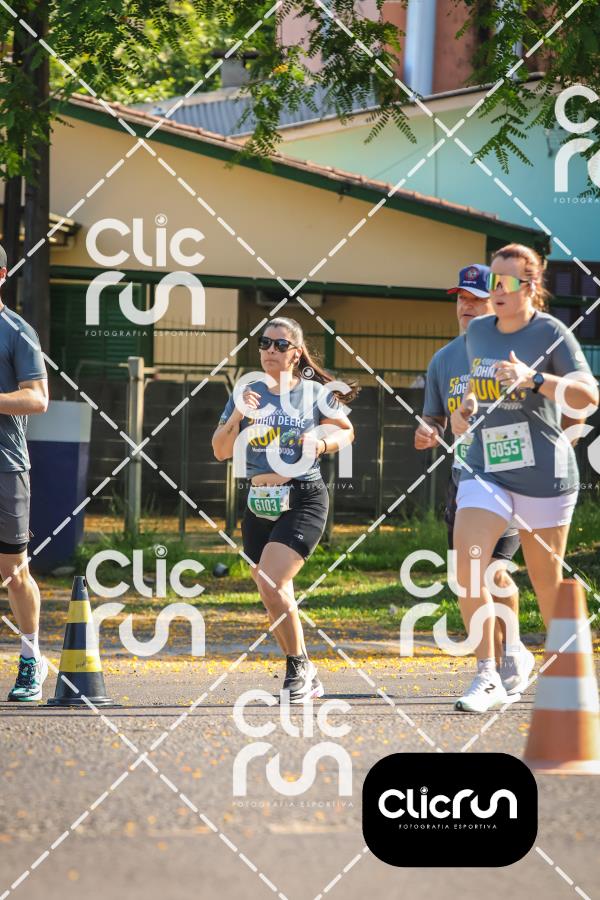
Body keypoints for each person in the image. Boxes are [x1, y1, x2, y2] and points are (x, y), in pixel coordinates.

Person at [450, 243, 598, 712]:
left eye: (506, 281)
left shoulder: (551, 332)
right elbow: (476, 387)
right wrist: (464, 410)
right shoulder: (478, 331)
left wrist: (534, 379)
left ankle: (572, 679)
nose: (495, 289)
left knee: (546, 583)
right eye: (492, 280)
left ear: (531, 286)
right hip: (487, 468)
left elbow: (588, 397)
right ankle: (487, 675)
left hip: (545, 475)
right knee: (468, 564)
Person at [212, 317, 355, 703]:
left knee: (271, 581)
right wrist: (238, 413)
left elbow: (346, 431)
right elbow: (220, 450)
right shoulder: (247, 391)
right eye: (264, 343)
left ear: (296, 353)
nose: (270, 351)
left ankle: (297, 668)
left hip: (303, 497)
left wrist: (321, 443)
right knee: (272, 590)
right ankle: (307, 670)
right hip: (258, 503)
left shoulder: (312, 392)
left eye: (280, 345)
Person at [415, 264, 533, 696]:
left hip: (510, 476)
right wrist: (427, 430)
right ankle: (495, 665)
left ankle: (508, 653)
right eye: (460, 299)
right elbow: (434, 417)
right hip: (466, 480)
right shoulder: (443, 359)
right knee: (470, 575)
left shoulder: (513, 352)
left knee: (494, 571)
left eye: (475, 299)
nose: (465, 306)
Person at [0, 244, 50, 701]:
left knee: (14, 572)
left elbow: (37, 398)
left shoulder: (17, 331)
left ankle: (32, 659)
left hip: (6, 466)